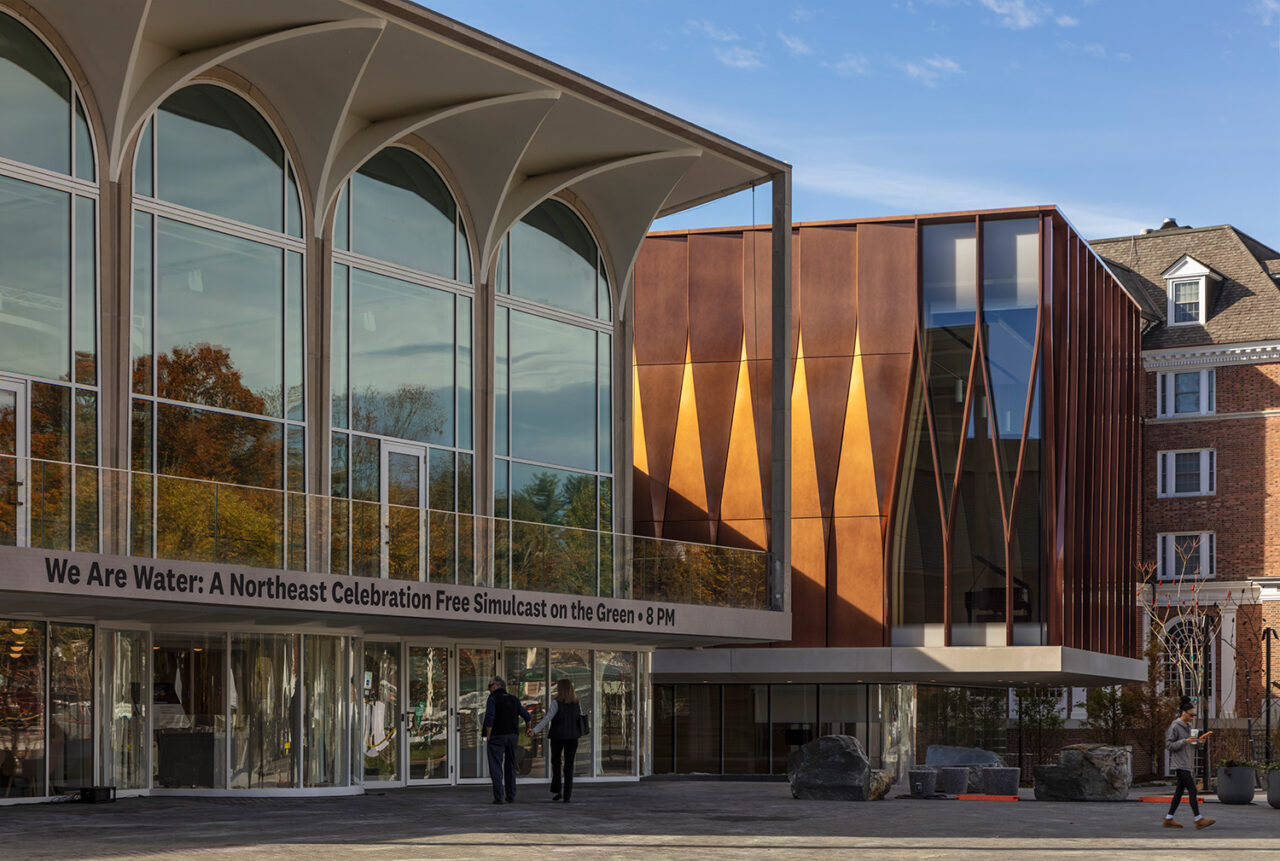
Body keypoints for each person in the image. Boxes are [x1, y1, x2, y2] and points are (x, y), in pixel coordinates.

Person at [1164, 696, 1214, 829]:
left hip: (1188, 763)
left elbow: (1192, 745)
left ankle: (1168, 818)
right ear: (1183, 713)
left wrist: (1200, 742)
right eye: (1191, 715)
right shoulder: (1175, 726)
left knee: (1179, 792)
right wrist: (1184, 741)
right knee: (1192, 789)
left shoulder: (1190, 726)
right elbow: (1169, 745)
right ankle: (1198, 819)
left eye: (1194, 715)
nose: (1193, 717)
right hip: (1180, 764)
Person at [530, 677, 583, 802]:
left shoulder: (556, 703)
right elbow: (580, 718)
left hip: (557, 736)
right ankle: (567, 795)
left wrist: (534, 730)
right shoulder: (577, 703)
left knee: (556, 762)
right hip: (572, 737)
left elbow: (547, 719)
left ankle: (557, 790)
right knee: (569, 765)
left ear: (560, 689)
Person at [483, 675, 531, 804]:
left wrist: (488, 734)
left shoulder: (493, 698)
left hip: (497, 735)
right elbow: (527, 716)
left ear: (497, 686)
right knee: (510, 764)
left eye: (490, 686)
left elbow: (490, 716)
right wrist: (528, 728)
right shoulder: (514, 699)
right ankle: (511, 794)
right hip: (512, 736)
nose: (489, 689)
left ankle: (499, 797)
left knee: (496, 765)